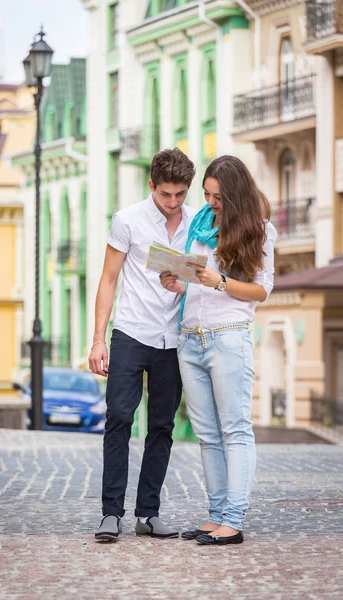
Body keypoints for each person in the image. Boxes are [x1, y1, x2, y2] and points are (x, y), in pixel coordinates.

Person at [160, 155, 277, 546]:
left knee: (235, 430)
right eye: (207, 194)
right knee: (207, 434)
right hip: (190, 338)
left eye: (218, 197)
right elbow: (197, 283)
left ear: (235, 194)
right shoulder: (200, 226)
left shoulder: (259, 230)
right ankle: (216, 515)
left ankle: (234, 518)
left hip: (228, 337)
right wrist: (179, 283)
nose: (211, 203)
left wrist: (220, 281)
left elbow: (261, 290)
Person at [89, 148, 196, 542]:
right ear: (152, 185)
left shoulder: (196, 223)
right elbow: (108, 279)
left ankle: (147, 514)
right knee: (118, 416)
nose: (173, 203)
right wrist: (98, 339)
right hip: (131, 333)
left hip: (173, 338)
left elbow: (200, 277)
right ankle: (110, 514)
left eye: (180, 194)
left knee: (163, 426)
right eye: (166, 194)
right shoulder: (127, 220)